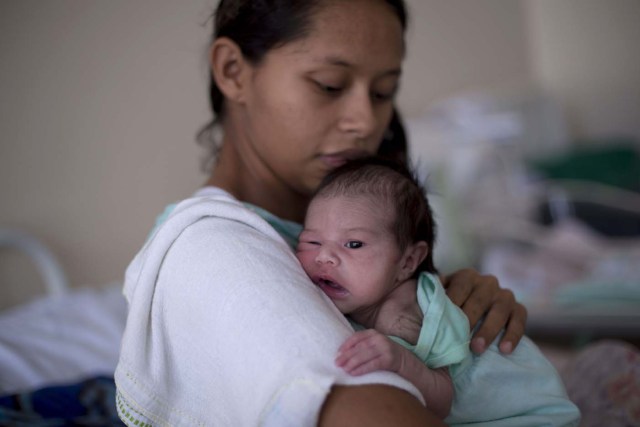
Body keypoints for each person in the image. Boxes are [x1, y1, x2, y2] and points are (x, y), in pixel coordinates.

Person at [115, 1, 528, 425]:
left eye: (383, 92)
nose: (366, 122)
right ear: (233, 71)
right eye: (329, 85)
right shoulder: (216, 249)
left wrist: (448, 305)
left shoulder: (320, 234)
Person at [296, 156, 581, 425]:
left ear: (407, 262)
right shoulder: (364, 296)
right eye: (312, 243)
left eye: (354, 244)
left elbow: (442, 397)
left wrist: (400, 359)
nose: (325, 258)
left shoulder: (404, 313)